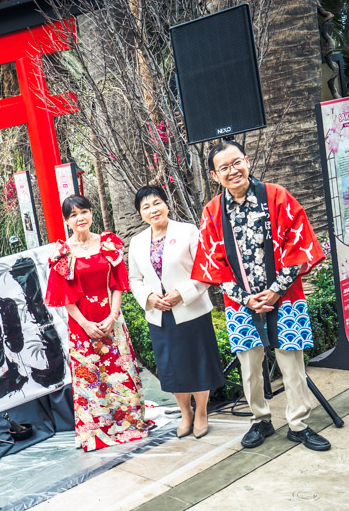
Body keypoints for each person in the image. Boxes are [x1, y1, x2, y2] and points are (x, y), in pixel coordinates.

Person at [191, 142, 331, 452]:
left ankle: (299, 424)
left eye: (236, 162)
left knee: (291, 363)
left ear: (248, 161)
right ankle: (260, 419)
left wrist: (276, 289)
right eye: (224, 167)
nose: (233, 171)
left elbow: (300, 245)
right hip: (241, 303)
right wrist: (245, 298)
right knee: (250, 366)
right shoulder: (213, 212)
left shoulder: (277, 196)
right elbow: (212, 264)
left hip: (285, 295)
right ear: (215, 175)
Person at [45, 194, 153, 451]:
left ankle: (129, 426)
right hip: (82, 325)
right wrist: (85, 324)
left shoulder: (109, 244)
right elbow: (65, 297)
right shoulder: (62, 253)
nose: (79, 218)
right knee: (91, 377)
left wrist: (113, 316)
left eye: (83, 212)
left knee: (121, 371)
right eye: (73, 215)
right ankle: (98, 432)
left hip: (111, 319)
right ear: (66, 221)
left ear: (91, 213)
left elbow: (118, 283)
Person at [128, 185, 225, 438]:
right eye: (146, 207)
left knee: (198, 364)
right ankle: (186, 413)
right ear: (140, 214)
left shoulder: (187, 231)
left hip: (190, 309)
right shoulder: (137, 243)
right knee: (172, 368)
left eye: (156, 203)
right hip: (159, 315)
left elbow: (204, 271)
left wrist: (181, 293)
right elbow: (133, 279)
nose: (153, 210)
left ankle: (202, 411)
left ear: (166, 204)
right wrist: (149, 297)